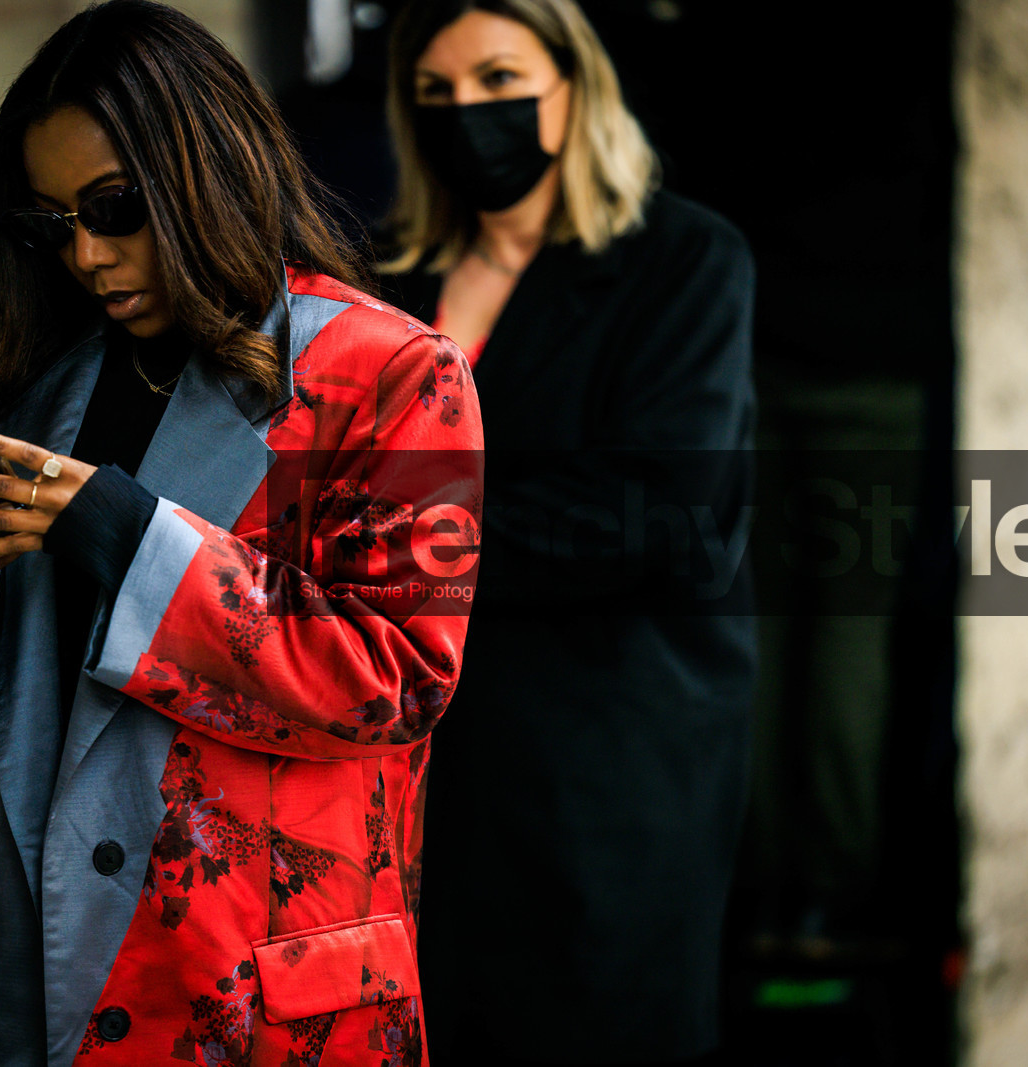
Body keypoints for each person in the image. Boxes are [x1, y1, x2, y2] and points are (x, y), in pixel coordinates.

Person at [0, 2, 482, 1064]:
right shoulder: (48, 387)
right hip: (26, 983)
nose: (87, 256)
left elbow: (399, 679)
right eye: (49, 226)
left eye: (114, 208)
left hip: (258, 999)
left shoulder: (396, 374)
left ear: (211, 167)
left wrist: (123, 529)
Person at [377, 2, 756, 1064]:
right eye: (436, 94)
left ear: (574, 86)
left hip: (606, 755)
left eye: (499, 80)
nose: (470, 115)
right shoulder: (385, 279)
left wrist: (386, 537)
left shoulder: (683, 261)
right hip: (420, 759)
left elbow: (656, 514)